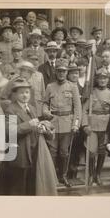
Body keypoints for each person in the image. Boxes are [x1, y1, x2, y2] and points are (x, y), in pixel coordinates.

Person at [5, 78, 57, 195]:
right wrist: (29, 124)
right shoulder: (11, 110)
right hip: (21, 153)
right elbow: (10, 131)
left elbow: (35, 126)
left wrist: (41, 128)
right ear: (15, 94)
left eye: (27, 92)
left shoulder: (32, 108)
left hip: (34, 152)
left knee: (32, 186)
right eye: (21, 92)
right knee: (19, 187)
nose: (25, 95)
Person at [43, 58, 82, 187]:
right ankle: (52, 176)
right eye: (59, 71)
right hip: (53, 123)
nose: (61, 74)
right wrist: (45, 112)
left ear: (67, 73)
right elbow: (45, 103)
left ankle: (63, 176)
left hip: (67, 123)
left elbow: (77, 108)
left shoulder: (73, 87)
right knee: (53, 151)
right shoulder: (50, 87)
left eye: (63, 71)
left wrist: (76, 124)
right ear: (56, 72)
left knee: (64, 152)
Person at [82, 67, 110, 186]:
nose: (102, 80)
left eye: (105, 78)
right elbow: (84, 110)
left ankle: (98, 174)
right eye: (100, 78)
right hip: (92, 126)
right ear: (96, 79)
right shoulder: (91, 93)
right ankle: (91, 174)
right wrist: (85, 124)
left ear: (108, 80)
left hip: (106, 126)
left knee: (102, 152)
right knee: (91, 152)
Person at [66, 62, 86, 181]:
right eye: (72, 73)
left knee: (77, 148)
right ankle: (66, 171)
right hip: (67, 120)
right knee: (67, 148)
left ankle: (74, 170)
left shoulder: (83, 88)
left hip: (79, 120)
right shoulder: (66, 86)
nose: (75, 75)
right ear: (68, 75)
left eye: (77, 73)